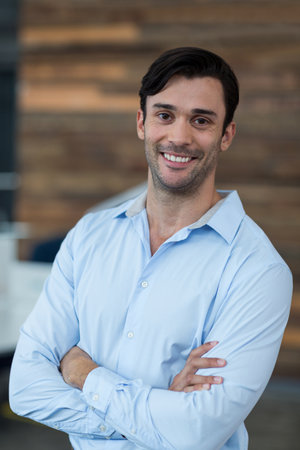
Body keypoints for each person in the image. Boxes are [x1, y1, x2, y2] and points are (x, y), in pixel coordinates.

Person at [9, 47, 293, 449]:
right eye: (165, 115)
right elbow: (24, 387)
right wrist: (156, 418)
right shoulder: (90, 236)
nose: (179, 136)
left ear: (226, 135)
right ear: (142, 122)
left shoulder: (257, 270)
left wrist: (83, 373)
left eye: (201, 120)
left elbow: (199, 431)